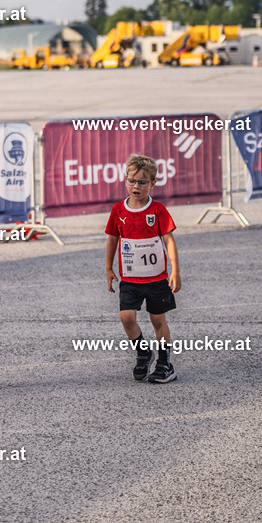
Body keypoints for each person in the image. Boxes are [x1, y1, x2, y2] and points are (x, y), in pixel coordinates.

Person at [105, 153, 181, 383]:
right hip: (130, 278)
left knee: (158, 320)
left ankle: (165, 363)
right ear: (125, 179)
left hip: (156, 278)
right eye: (132, 181)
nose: (136, 186)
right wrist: (108, 269)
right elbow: (112, 239)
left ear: (153, 183)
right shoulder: (118, 210)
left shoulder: (157, 210)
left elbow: (169, 240)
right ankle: (143, 353)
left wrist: (175, 271)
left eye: (142, 182)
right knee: (126, 317)